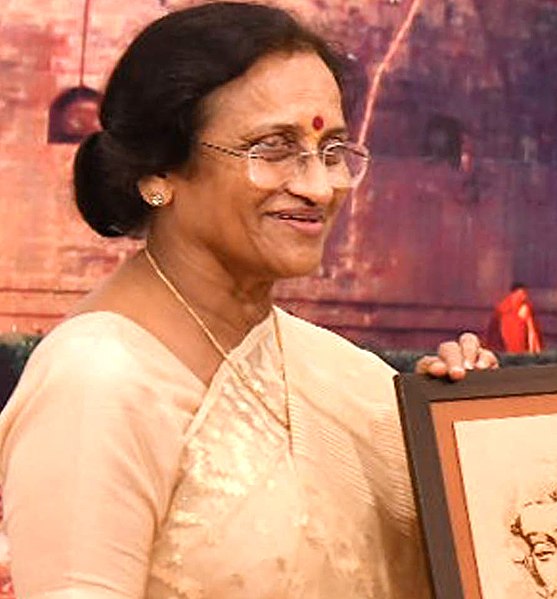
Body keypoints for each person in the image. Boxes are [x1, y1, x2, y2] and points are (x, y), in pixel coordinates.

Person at [0, 3, 497, 598]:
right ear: (160, 171)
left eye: (333, 150)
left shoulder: (346, 378)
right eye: (274, 148)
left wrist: (468, 436)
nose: (319, 186)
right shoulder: (98, 384)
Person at [487, 282, 543, 354]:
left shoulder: (526, 307)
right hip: (506, 346)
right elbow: (496, 329)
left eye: (524, 294)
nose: (524, 297)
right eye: (521, 294)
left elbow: (532, 330)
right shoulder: (503, 308)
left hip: (522, 347)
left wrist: (535, 349)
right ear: (514, 293)